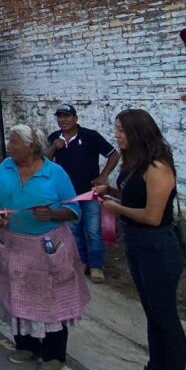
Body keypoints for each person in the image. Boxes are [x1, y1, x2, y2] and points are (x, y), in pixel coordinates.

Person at [96, 109, 186, 370]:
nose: (117, 135)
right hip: (137, 244)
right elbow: (133, 196)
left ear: (137, 131)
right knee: (152, 315)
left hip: (158, 248)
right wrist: (108, 191)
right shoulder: (134, 162)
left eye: (121, 130)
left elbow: (152, 215)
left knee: (166, 320)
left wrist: (115, 209)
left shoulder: (157, 166)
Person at [0, 124, 88, 370]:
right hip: (13, 244)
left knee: (51, 297)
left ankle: (54, 353)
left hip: (47, 246)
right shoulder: (5, 167)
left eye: (14, 142)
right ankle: (26, 345)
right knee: (17, 292)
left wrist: (53, 214)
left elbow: (75, 210)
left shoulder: (55, 174)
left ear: (31, 146)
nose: (9, 146)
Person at [47, 103, 119, 284]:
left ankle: (96, 266)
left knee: (94, 231)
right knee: (74, 232)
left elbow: (114, 154)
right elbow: (44, 161)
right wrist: (54, 147)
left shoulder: (90, 136)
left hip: (89, 194)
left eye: (66, 116)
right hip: (67, 196)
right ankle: (82, 262)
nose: (62, 120)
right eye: (59, 116)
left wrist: (103, 176)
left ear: (75, 118)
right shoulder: (55, 138)